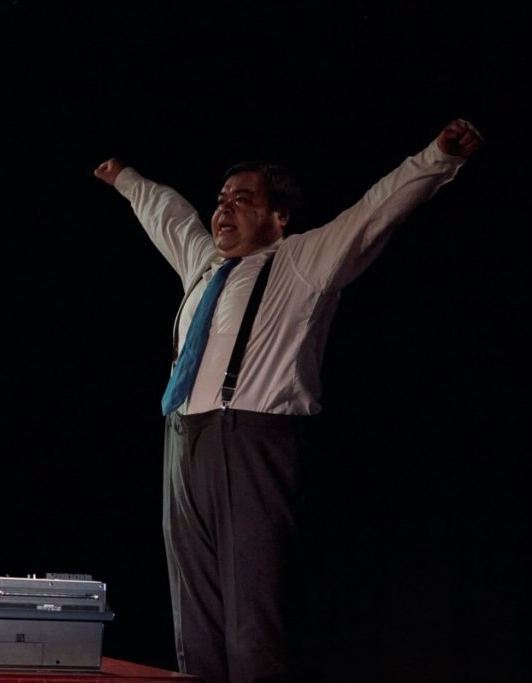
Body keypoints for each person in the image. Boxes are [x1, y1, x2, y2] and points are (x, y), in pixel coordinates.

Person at [93, 119, 483, 683]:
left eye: (242, 199)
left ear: (279, 217)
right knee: (194, 618)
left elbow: (376, 211)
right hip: (183, 441)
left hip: (253, 441)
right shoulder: (203, 263)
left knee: (253, 621)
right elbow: (168, 214)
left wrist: (438, 157)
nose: (224, 209)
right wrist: (125, 178)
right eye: (221, 199)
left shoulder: (303, 259)